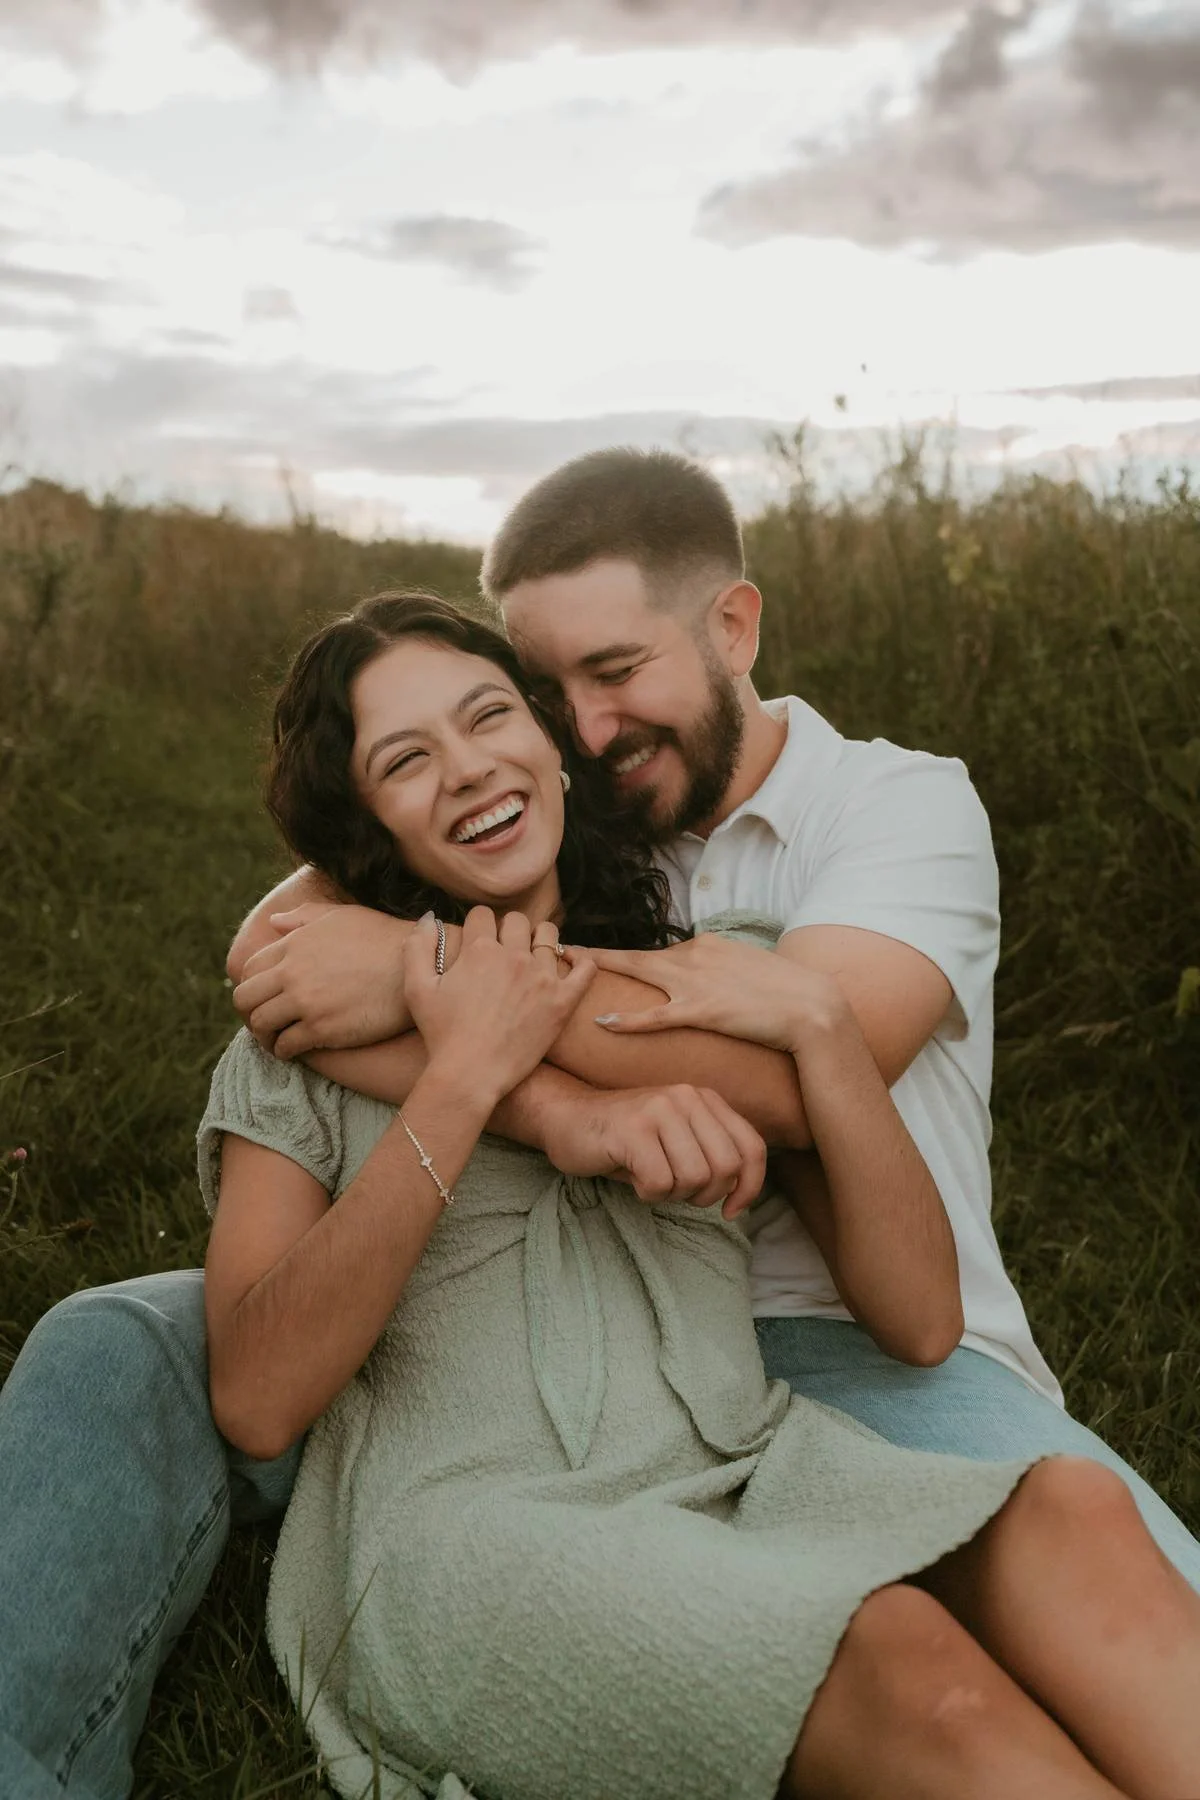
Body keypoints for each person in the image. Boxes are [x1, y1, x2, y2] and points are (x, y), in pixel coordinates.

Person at [0, 449, 1195, 1800]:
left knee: (1072, 1518)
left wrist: (783, 1019)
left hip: (754, 1442)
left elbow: (912, 1310)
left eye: (500, 714)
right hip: (476, 1516)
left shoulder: (757, 921)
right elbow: (260, 1394)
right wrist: (475, 1079)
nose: (504, 755)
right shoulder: (316, 1025)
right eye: (408, 758)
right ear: (365, 826)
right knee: (903, 1668)